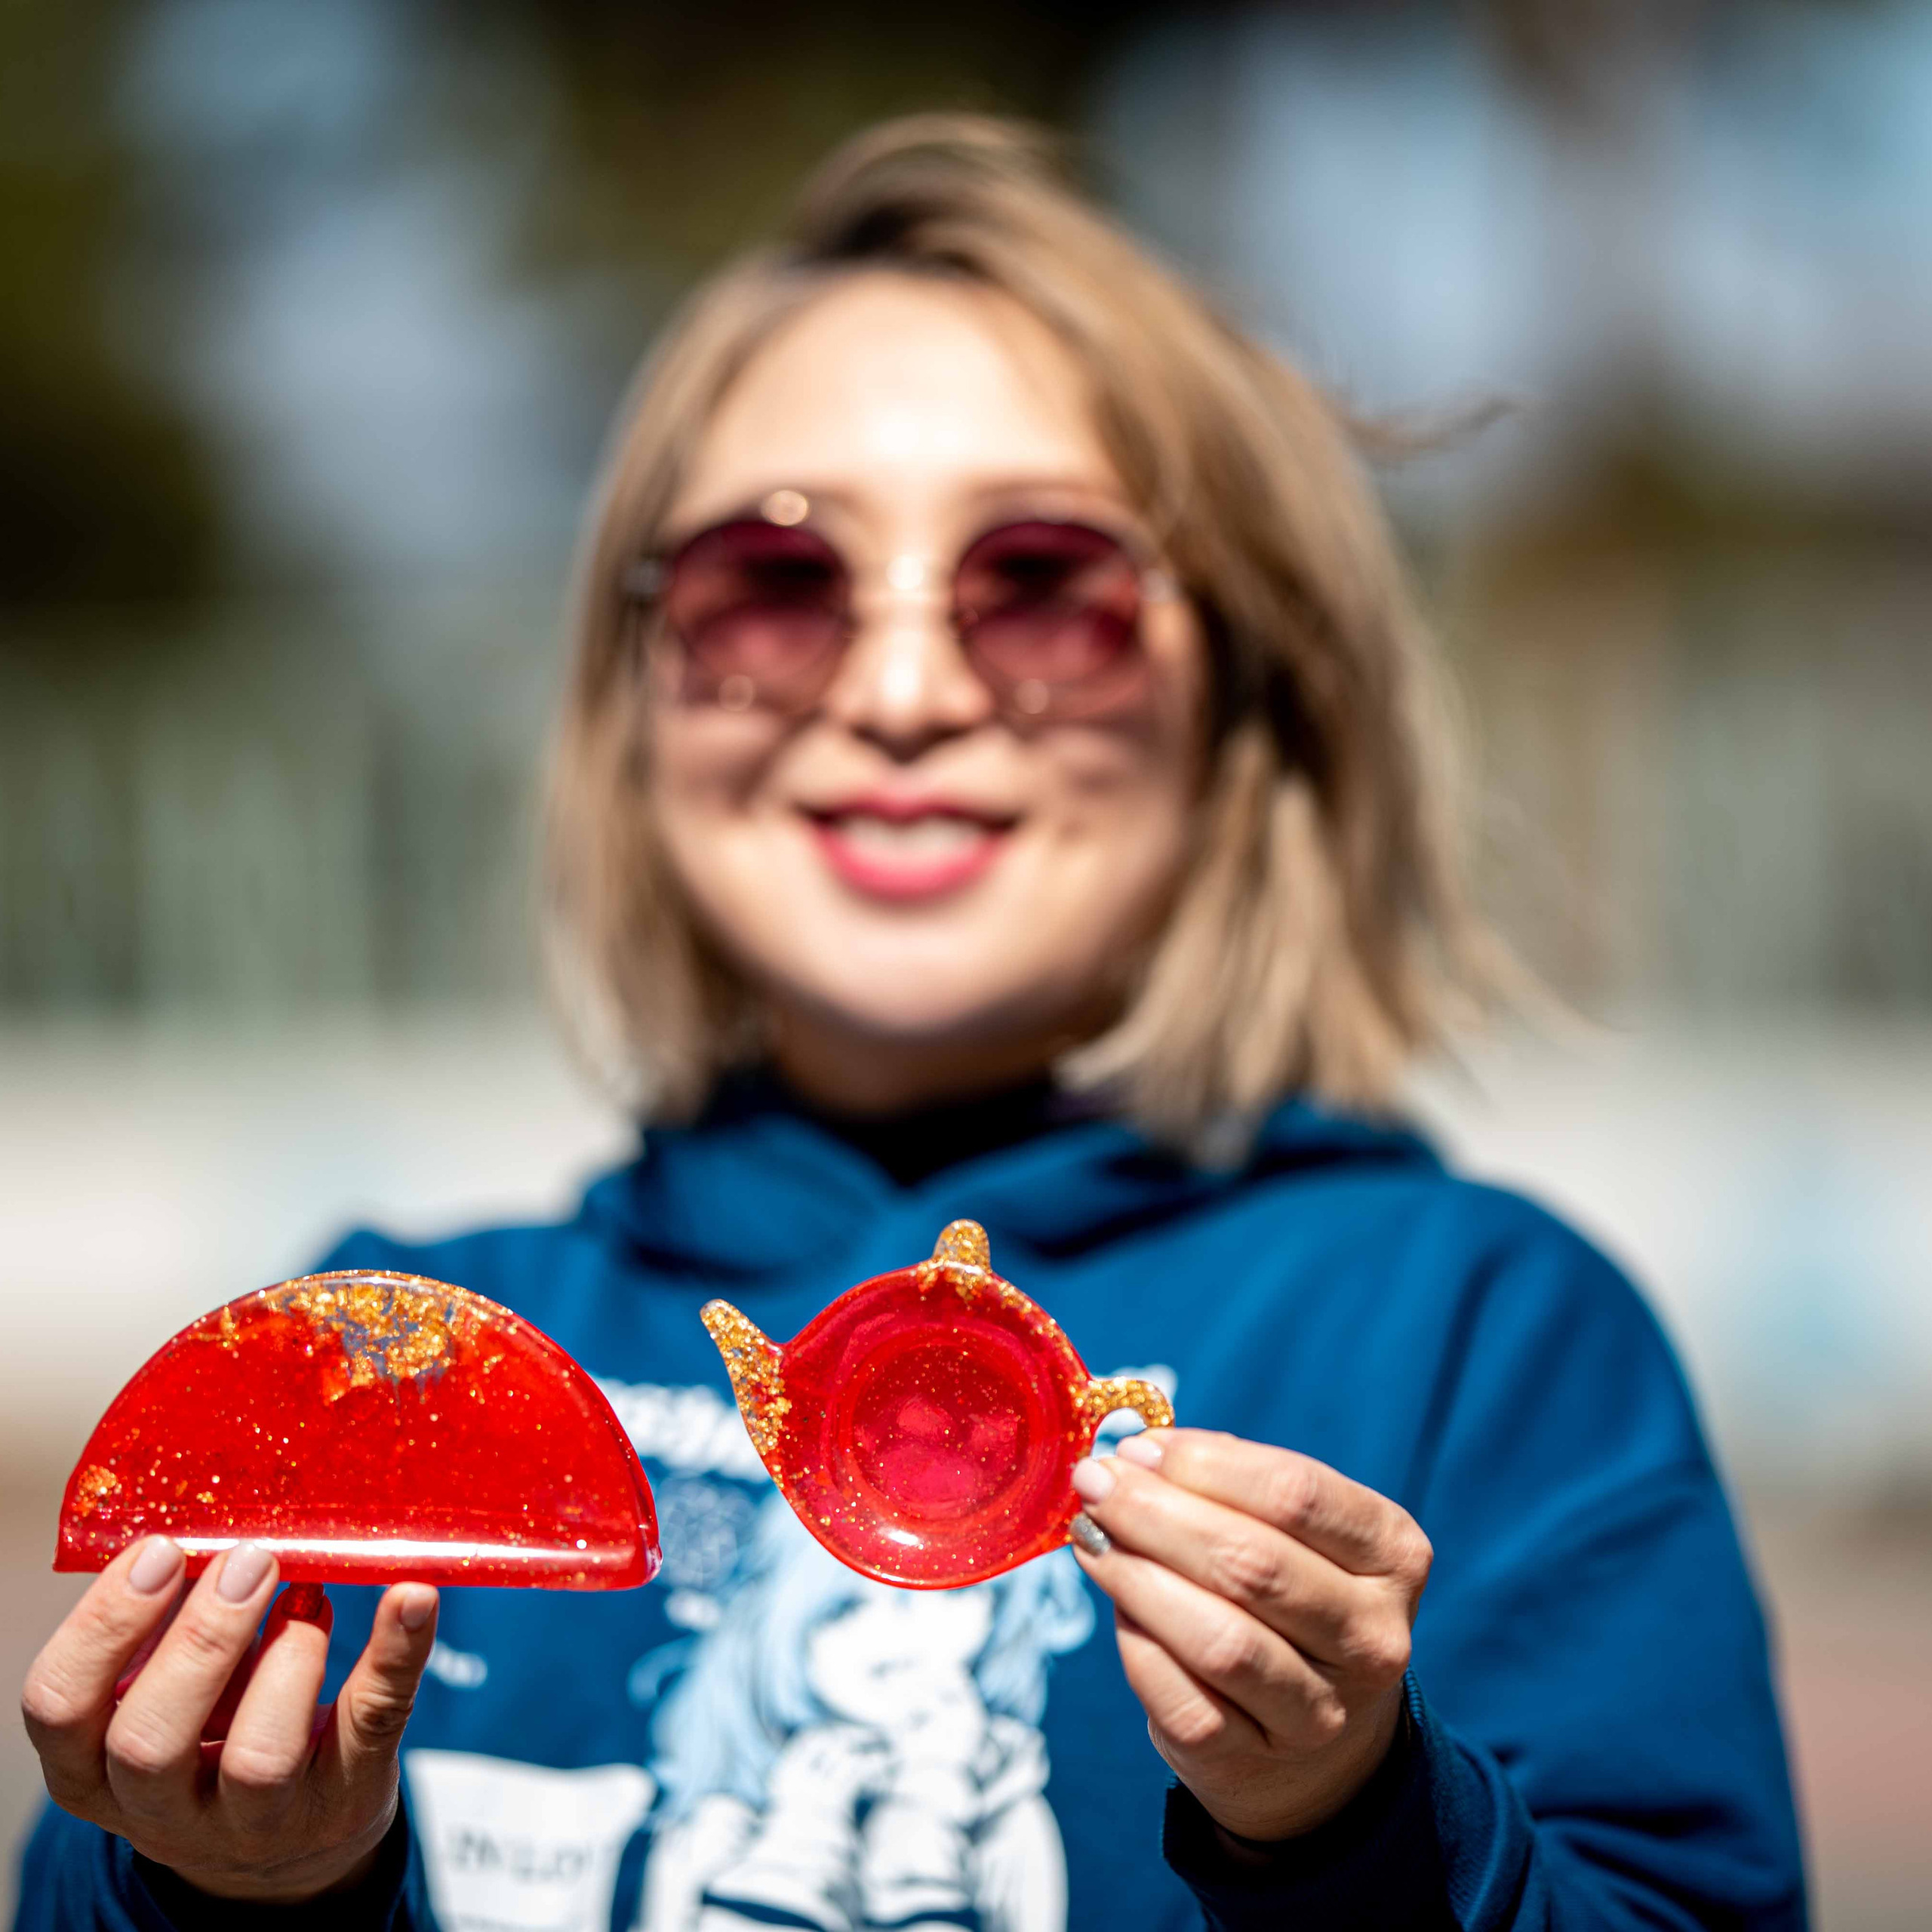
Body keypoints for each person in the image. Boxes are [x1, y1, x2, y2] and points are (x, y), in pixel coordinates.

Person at [17, 115, 1804, 1931]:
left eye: (1044, 585)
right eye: (772, 585)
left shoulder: (1475, 1332)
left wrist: (1356, 1821)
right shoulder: (396, 1367)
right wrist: (237, 1881)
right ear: (632, 697)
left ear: (1249, 689)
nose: (897, 687)